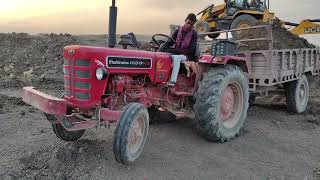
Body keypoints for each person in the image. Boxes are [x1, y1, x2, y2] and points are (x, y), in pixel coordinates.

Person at [166, 13, 198, 86]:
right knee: (164, 56)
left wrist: (176, 50)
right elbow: (170, 42)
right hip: (176, 52)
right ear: (185, 21)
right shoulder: (177, 31)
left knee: (177, 58)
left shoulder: (194, 34)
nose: (189, 25)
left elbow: (191, 50)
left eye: (191, 24)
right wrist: (164, 46)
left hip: (186, 56)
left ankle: (173, 81)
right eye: (188, 23)